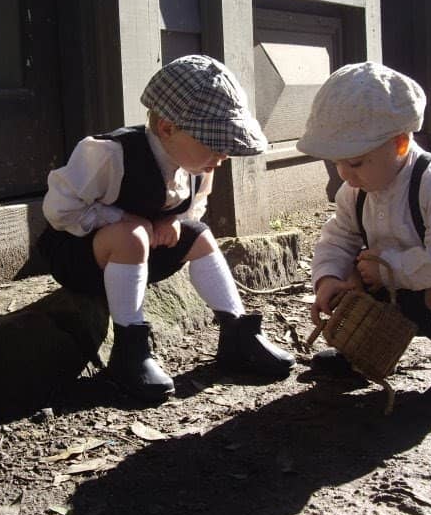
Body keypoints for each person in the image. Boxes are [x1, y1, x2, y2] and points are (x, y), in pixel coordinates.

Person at [37, 55, 295, 403]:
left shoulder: (200, 164)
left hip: (138, 258)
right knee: (132, 236)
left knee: (199, 234)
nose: (222, 155)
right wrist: (122, 220)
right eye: (214, 142)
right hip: (81, 256)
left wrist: (172, 220)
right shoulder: (110, 154)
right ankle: (130, 352)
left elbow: (194, 208)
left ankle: (237, 334)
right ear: (168, 128)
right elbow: (59, 209)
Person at [296, 62, 431, 419]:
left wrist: (390, 271)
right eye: (337, 164)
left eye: (355, 162)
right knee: (357, 272)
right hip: (397, 279)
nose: (345, 175)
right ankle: (362, 352)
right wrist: (329, 278)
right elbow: (338, 238)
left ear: (399, 143)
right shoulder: (355, 191)